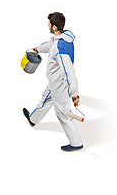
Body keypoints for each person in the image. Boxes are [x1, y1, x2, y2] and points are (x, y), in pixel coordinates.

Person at [23, 12, 83, 152]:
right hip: (54, 81)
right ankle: (33, 119)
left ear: (55, 27)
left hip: (61, 83)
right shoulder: (63, 39)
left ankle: (76, 143)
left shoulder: (59, 48)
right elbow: (51, 44)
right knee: (46, 98)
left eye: (49, 24)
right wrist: (38, 48)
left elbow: (69, 72)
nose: (48, 25)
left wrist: (73, 93)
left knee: (63, 113)